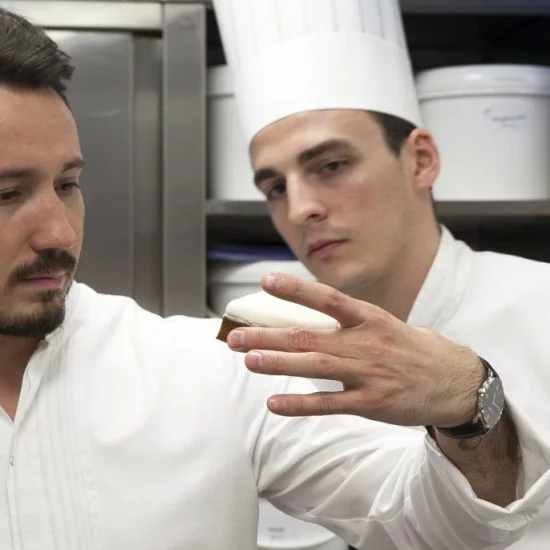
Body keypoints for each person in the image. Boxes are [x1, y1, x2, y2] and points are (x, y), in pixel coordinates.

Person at [0, 6, 548, 550]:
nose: (59, 235)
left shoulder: (219, 368)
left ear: (422, 159)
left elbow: (447, 530)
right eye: (6, 194)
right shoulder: (261, 340)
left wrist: (473, 404)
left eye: (68, 185)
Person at [211, 0, 550, 547]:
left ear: (420, 160)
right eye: (275, 187)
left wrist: (469, 400)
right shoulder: (275, 361)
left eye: (331, 166)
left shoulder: (541, 308)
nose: (300, 209)